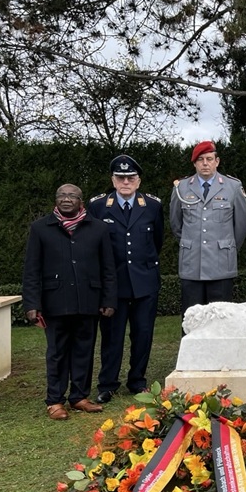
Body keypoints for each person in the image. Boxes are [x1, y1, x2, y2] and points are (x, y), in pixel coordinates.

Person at [22, 184, 117, 419]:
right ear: (56, 200)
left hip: (88, 300)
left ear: (81, 201)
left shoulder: (98, 228)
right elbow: (31, 270)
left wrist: (109, 299)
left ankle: (79, 397)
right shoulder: (40, 228)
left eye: (72, 196)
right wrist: (32, 304)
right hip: (55, 302)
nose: (66, 199)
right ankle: (54, 400)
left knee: (84, 350)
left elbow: (108, 268)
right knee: (57, 352)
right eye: (62, 196)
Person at [87, 155, 164, 403]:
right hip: (113, 285)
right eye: (120, 177)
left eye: (130, 177)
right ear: (113, 180)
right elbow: (94, 246)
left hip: (145, 282)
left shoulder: (152, 206)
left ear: (138, 181)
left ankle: (137, 381)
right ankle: (107, 384)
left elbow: (157, 241)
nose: (125, 182)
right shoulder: (99, 206)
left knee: (143, 334)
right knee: (112, 336)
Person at [170, 140, 246, 320]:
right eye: (200, 160)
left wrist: (226, 247)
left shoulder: (233, 187)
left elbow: (242, 226)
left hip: (221, 264)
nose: (205, 163)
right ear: (194, 163)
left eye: (209, 159)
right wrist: (192, 244)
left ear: (217, 161)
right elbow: (176, 224)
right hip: (192, 265)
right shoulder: (181, 188)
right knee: (191, 320)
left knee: (220, 321)